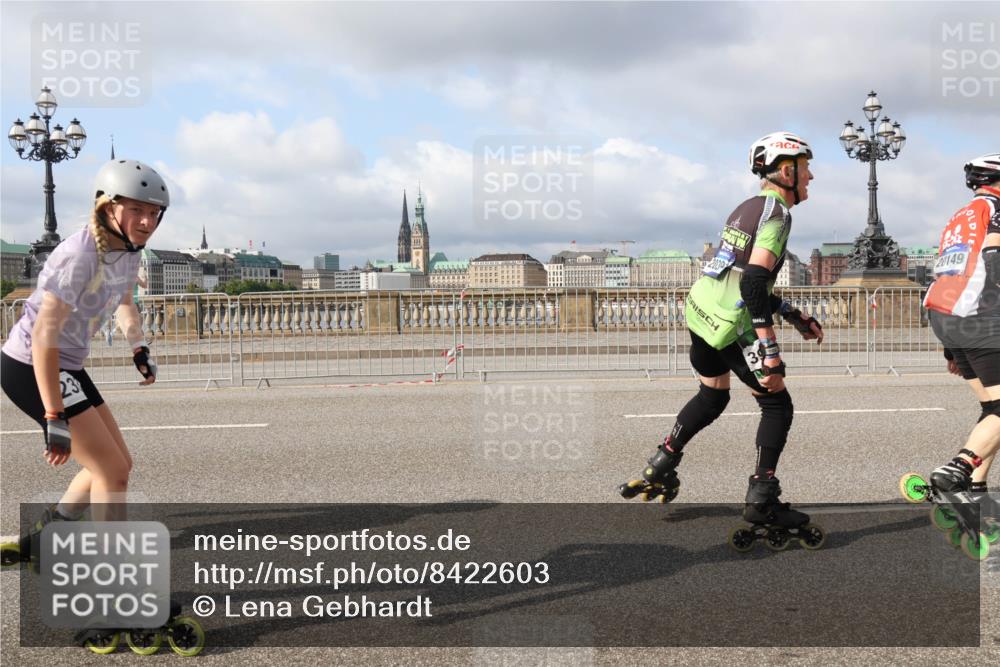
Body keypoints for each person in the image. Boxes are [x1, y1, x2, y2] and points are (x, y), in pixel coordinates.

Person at [619, 132, 825, 548]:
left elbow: (736, 273)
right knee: (776, 401)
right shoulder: (779, 215)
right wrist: (769, 349)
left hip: (700, 312)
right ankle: (763, 496)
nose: (811, 177)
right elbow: (752, 284)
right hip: (731, 324)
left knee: (713, 396)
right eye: (805, 169)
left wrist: (793, 315)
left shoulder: (747, 207)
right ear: (787, 171)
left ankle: (663, 461)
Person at [1, 158, 166, 567]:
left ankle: (47, 537)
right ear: (106, 207)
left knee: (116, 465)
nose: (147, 222)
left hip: (67, 365)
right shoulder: (79, 255)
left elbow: (125, 302)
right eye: (137, 210)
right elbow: (43, 335)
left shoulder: (128, 251)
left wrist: (138, 347)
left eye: (154, 213)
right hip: (31, 364)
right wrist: (53, 413)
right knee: (112, 471)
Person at [919, 153, 1000, 553]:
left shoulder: (960, 216)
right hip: (982, 316)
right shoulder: (997, 210)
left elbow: (950, 271)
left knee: (994, 410)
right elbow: (995, 262)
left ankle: (976, 493)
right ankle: (956, 473)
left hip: (947, 314)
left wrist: (951, 346)